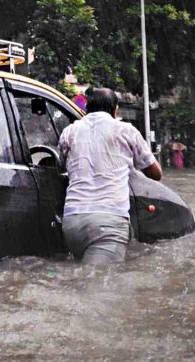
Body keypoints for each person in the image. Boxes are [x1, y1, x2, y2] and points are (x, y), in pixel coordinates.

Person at [59, 88, 162, 265]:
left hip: (72, 222)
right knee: (99, 285)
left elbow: (63, 165)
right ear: (115, 110)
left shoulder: (69, 132)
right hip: (108, 224)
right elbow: (155, 173)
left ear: (87, 109)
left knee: (83, 279)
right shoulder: (125, 131)